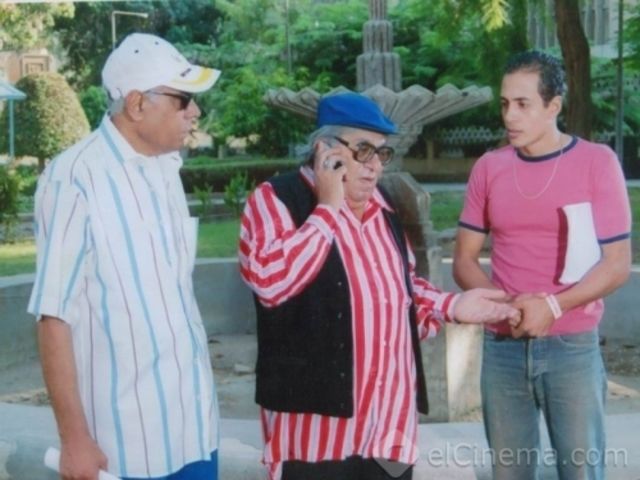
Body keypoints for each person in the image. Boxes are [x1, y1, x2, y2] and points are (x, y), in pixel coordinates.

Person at [238, 92, 520, 480]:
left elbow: (398, 290)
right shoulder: (275, 200)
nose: (374, 166)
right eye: (363, 151)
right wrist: (327, 208)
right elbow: (271, 284)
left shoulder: (382, 208)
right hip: (316, 439)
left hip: (390, 432)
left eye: (381, 153)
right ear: (325, 151)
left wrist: (452, 306)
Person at [28, 33, 222, 480]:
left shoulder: (165, 169)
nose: (195, 111)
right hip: (128, 447)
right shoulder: (74, 179)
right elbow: (54, 317)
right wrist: (74, 439)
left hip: (194, 427)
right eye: (183, 99)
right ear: (136, 104)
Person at [453, 50, 632, 480]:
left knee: (581, 472)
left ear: (554, 106)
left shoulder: (597, 162)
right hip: (503, 346)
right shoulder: (489, 168)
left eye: (522, 104)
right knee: (510, 474)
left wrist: (551, 306)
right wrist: (510, 307)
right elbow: (463, 260)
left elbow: (617, 264)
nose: (509, 116)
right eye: (504, 103)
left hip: (572, 346)